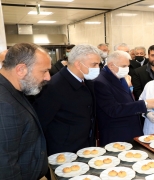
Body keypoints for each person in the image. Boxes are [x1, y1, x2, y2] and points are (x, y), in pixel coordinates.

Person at [33, 44, 101, 156]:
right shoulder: (53, 87)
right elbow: (41, 123)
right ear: (78, 64)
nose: (98, 68)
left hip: (85, 147)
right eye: (94, 64)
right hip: (63, 152)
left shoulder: (87, 80)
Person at [0, 43, 50, 179]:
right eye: (44, 71)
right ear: (21, 70)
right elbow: (5, 166)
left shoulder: (13, 90)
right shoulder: (3, 104)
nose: (48, 77)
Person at [94, 51, 154, 145]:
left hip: (130, 129)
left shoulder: (119, 76)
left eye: (128, 66)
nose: (127, 69)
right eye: (124, 66)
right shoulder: (100, 82)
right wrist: (145, 104)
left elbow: (127, 101)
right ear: (111, 65)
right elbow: (113, 109)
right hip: (116, 133)